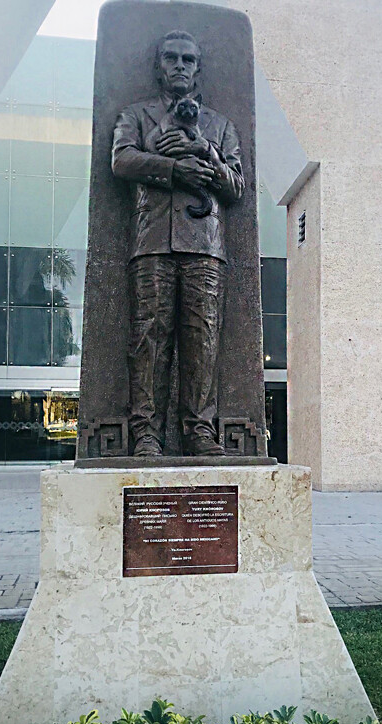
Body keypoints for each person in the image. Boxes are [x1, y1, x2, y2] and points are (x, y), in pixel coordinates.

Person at [111, 29, 244, 457]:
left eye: (188, 59)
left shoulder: (221, 127)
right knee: (148, 339)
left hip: (205, 243)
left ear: (198, 68)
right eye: (172, 58)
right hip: (152, 241)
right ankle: (145, 433)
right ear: (159, 66)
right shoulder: (137, 115)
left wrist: (205, 151)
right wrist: (172, 170)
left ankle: (200, 431)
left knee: (202, 339)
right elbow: (122, 160)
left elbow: (237, 187)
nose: (180, 66)